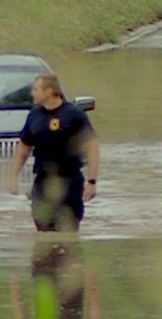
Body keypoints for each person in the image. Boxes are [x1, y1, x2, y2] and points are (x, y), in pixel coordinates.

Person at [8, 74, 99, 232]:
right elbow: (23, 147)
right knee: (43, 231)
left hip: (70, 182)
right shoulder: (34, 115)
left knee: (67, 234)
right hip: (42, 182)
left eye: (36, 89)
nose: (32, 93)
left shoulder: (74, 114)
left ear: (49, 91)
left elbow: (92, 147)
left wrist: (92, 182)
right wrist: (13, 176)